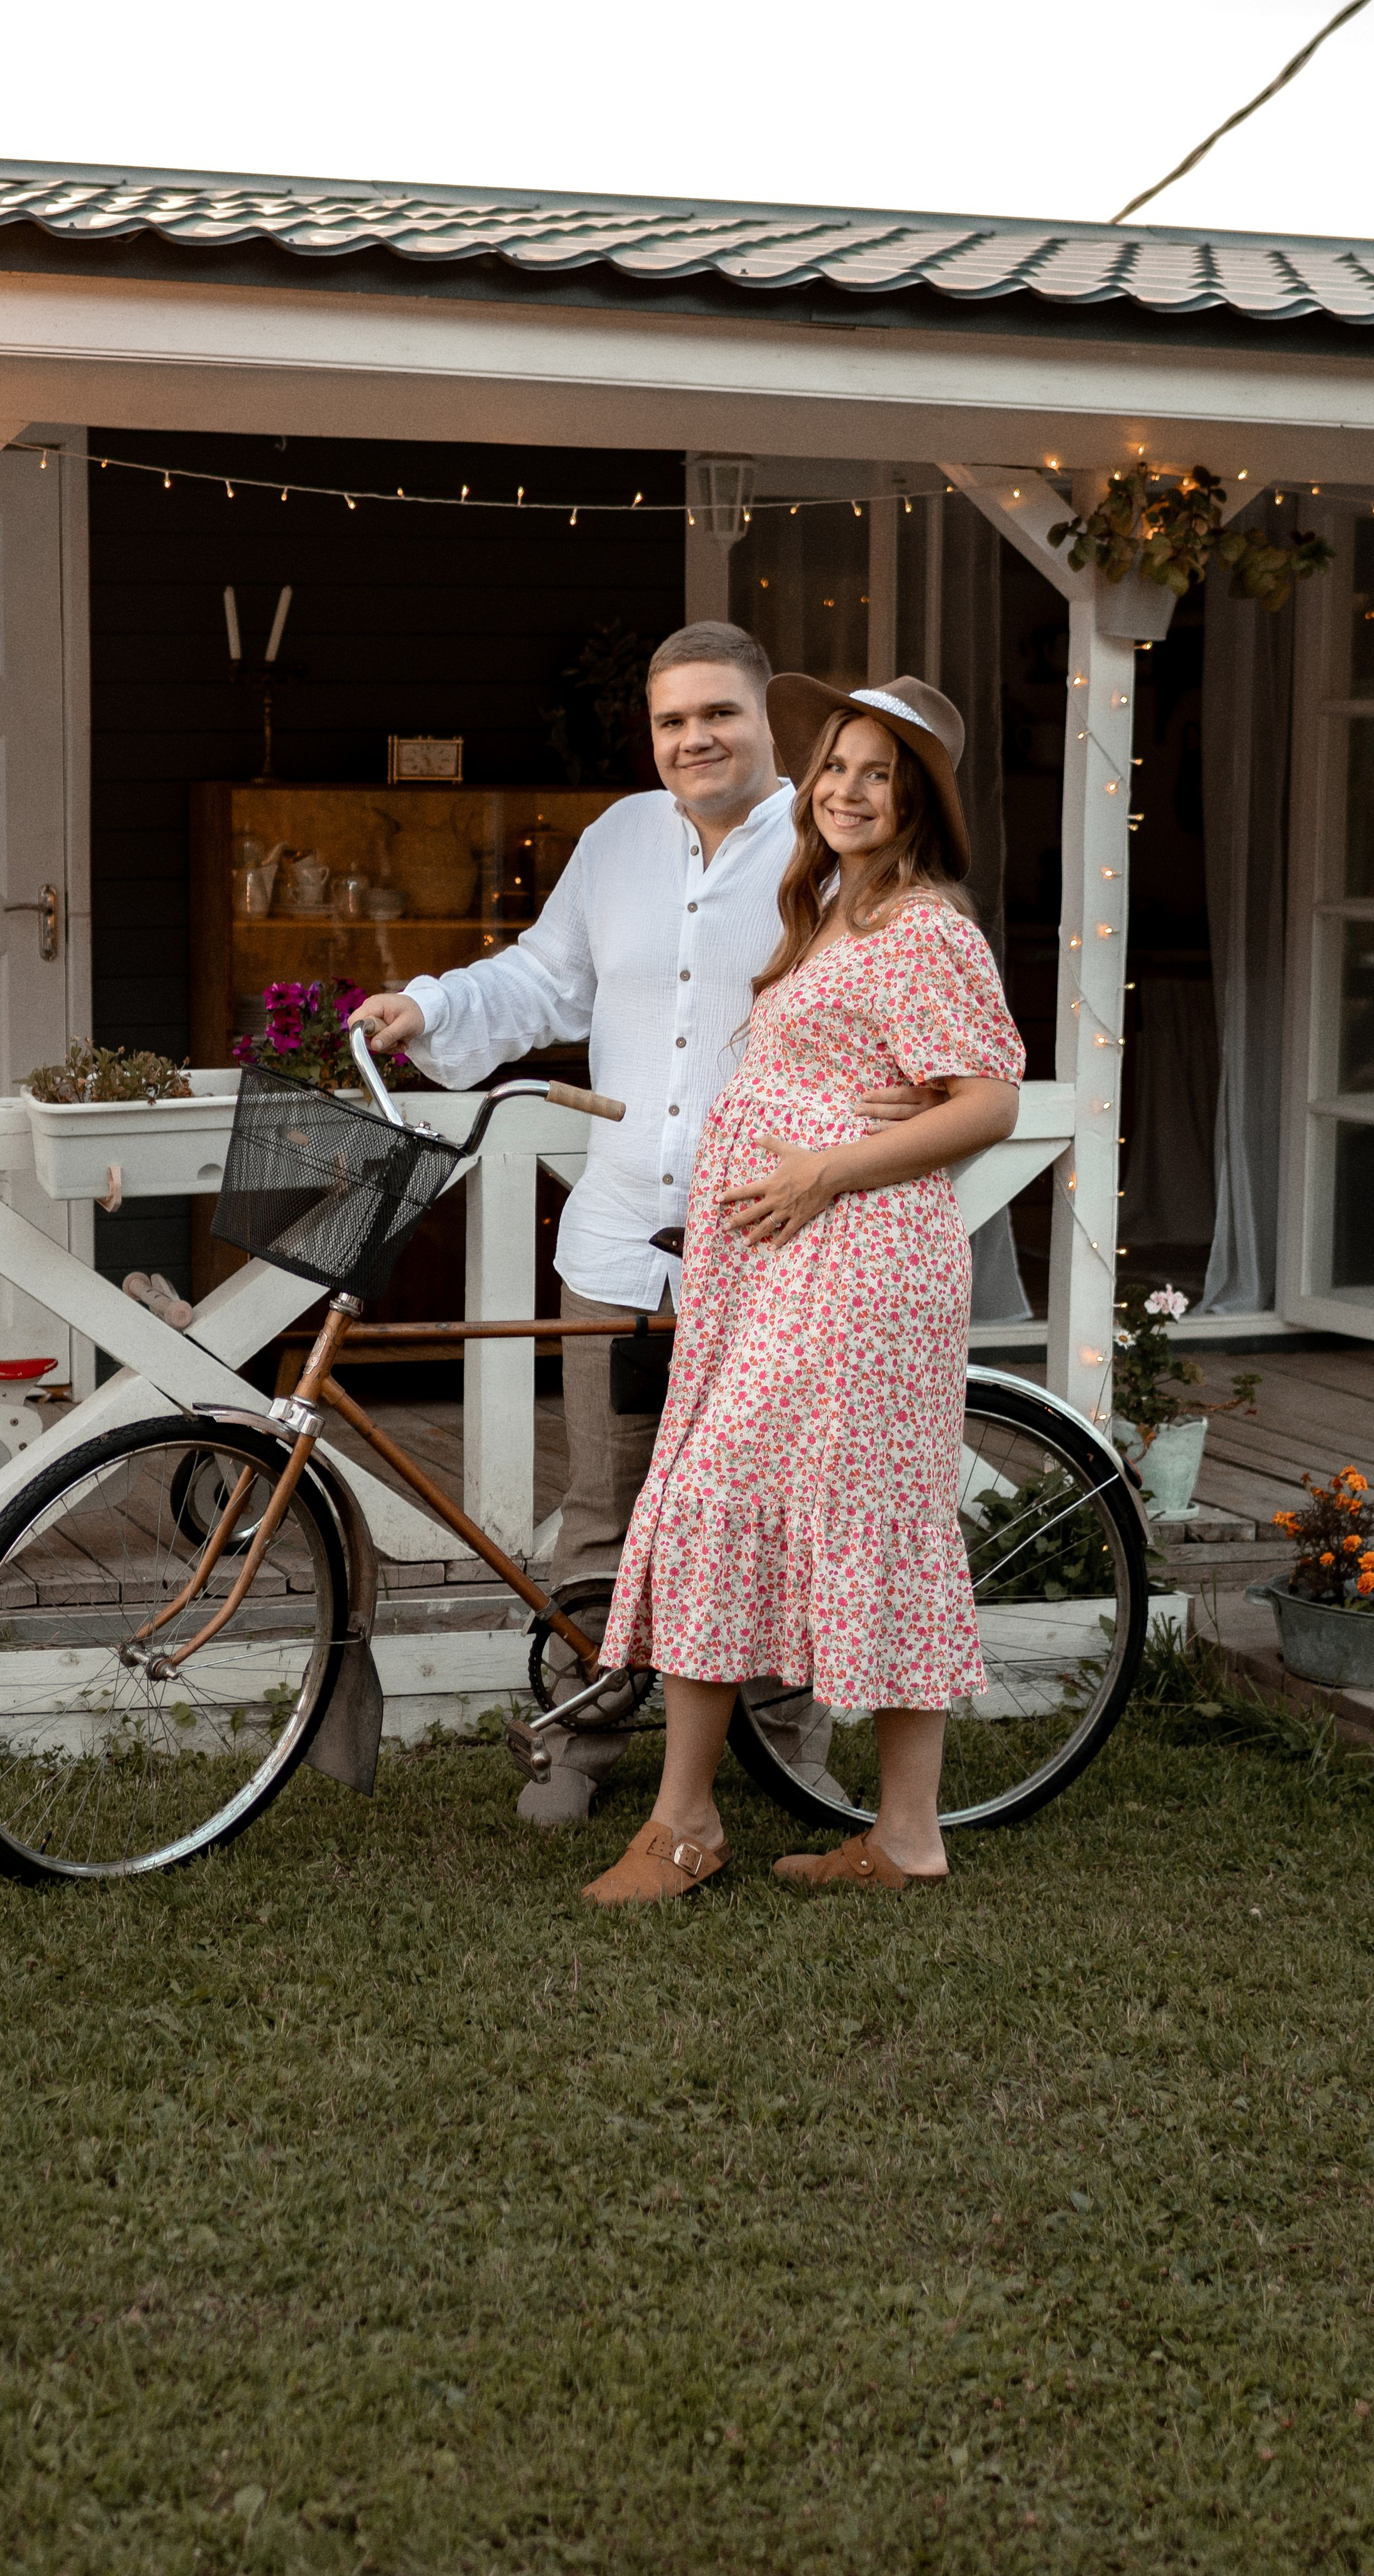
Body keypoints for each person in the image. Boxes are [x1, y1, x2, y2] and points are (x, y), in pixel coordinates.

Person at [348, 623, 941, 1823]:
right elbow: (546, 976)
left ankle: (787, 1738)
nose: (694, 739)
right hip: (619, 1237)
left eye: (718, 713)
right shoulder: (618, 839)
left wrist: (914, 1094)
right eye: (673, 721)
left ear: (771, 723)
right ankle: (585, 1732)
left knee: (775, 1504)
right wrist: (430, 1003)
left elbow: (908, 985)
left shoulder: (828, 843)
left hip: (775, 1245)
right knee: (605, 1505)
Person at [582, 673, 1026, 1908]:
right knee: (817, 1510)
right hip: (793, 1261)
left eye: (878, 772)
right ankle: (901, 1838)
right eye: (835, 764)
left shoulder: (926, 923)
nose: (845, 789)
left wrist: (827, 1165)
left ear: (919, 797)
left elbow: (990, 1098)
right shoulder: (833, 904)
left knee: (743, 1497)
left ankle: (686, 1825)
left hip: (862, 1266)